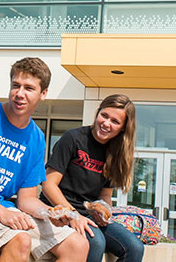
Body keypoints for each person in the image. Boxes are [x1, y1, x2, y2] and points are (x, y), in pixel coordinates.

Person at [0, 57, 89, 262]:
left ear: (43, 94)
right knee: (21, 239)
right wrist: (2, 213)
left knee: (78, 245)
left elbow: (27, 200)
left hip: (8, 209)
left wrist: (50, 213)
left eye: (29, 88)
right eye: (15, 85)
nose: (19, 94)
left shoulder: (37, 137)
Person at [41, 94, 143, 262]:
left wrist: (104, 213)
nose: (106, 123)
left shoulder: (116, 153)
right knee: (96, 242)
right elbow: (49, 184)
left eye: (115, 121)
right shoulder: (73, 138)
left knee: (135, 247)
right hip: (60, 210)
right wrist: (73, 215)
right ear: (97, 113)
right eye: (104, 115)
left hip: (88, 215)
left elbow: (105, 196)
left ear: (123, 128)